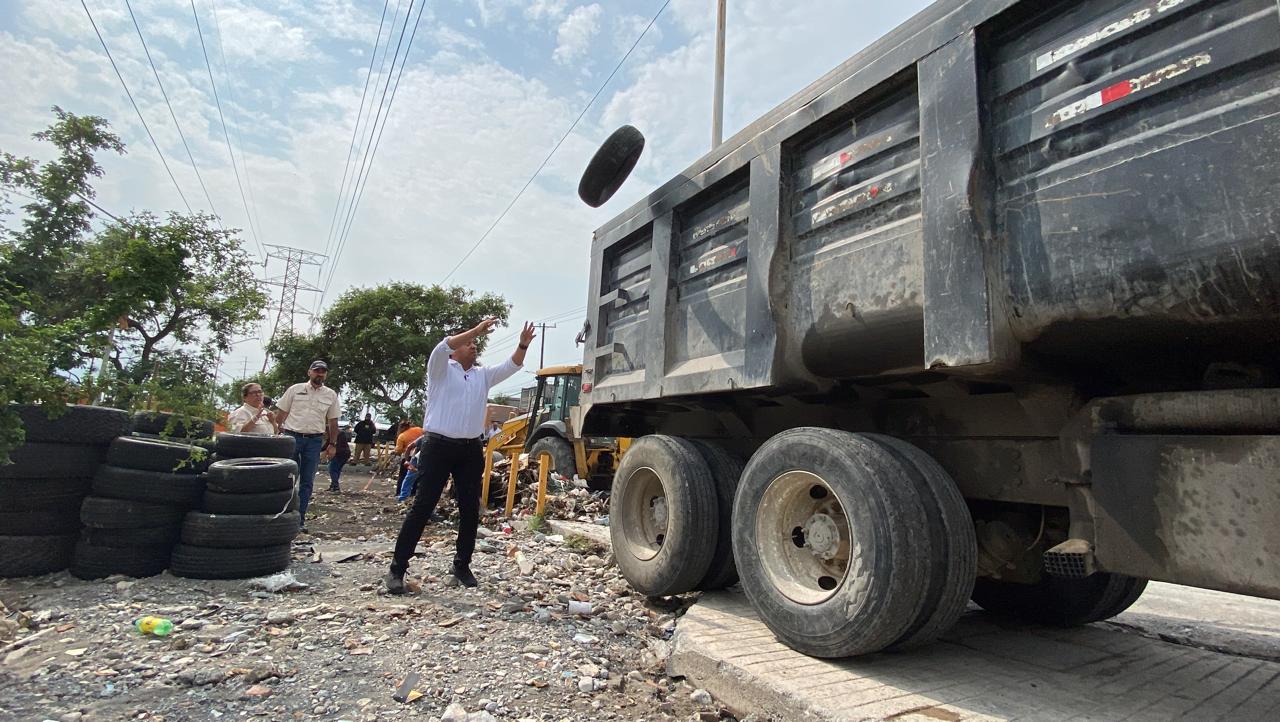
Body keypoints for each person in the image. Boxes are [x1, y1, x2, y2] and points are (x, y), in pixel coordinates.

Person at [386, 318, 534, 592]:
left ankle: (462, 565)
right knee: (423, 506)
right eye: (468, 343)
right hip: (437, 447)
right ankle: (397, 569)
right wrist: (476, 329)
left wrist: (522, 345)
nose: (474, 345)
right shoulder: (441, 368)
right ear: (454, 351)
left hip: (469, 449)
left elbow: (511, 365)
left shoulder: (482, 375)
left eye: (475, 342)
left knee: (469, 509)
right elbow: (443, 346)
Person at [275, 360, 340, 532]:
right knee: (288, 478)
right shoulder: (295, 390)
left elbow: (333, 422)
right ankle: (282, 517)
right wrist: (274, 436)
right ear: (309, 372)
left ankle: (299, 520)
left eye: (323, 372)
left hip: (314, 441)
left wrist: (332, 444)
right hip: (291, 437)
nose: (320, 374)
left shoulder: (330, 395)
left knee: (307, 482)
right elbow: (281, 414)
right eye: (317, 371)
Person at [328, 424, 353, 492]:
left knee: (332, 469)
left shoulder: (336, 435)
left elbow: (331, 444)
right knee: (337, 470)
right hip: (345, 453)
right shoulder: (341, 433)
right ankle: (333, 485)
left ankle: (335, 486)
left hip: (339, 453)